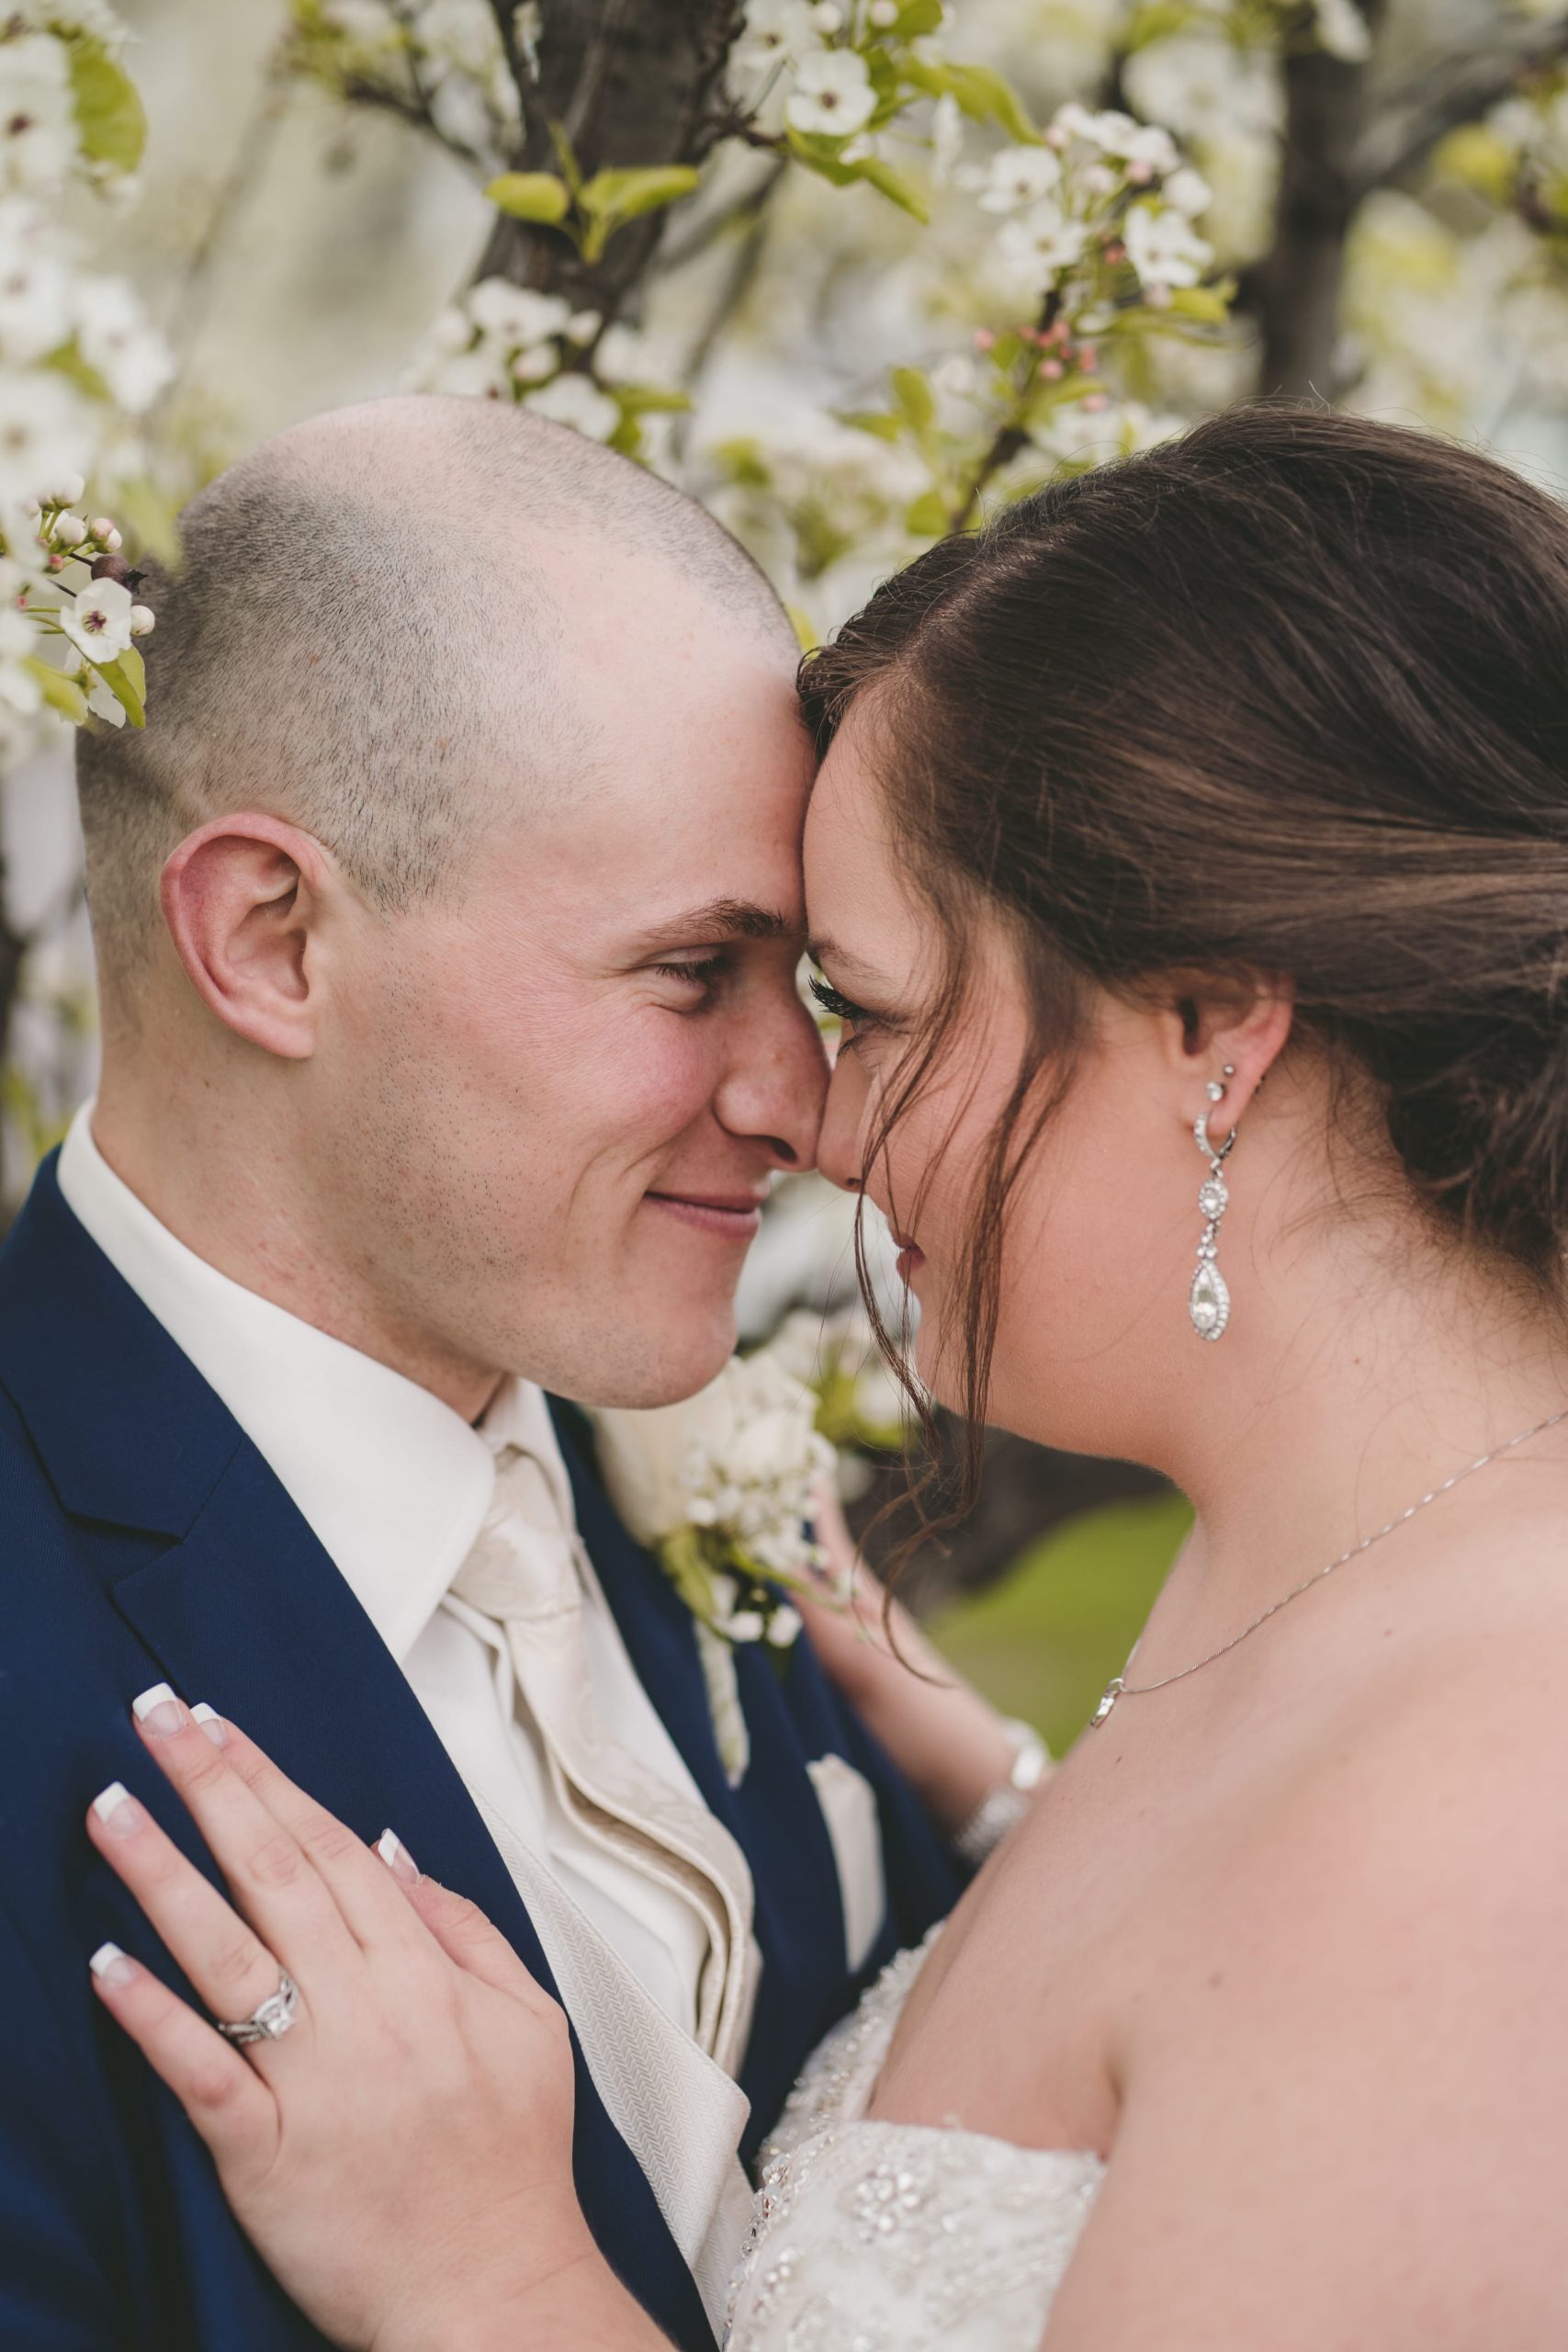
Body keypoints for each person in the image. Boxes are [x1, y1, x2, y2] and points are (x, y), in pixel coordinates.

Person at [86, 401, 1568, 2350]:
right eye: (709, 976)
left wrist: (495, 2283)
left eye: (866, 1010)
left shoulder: (1476, 1821)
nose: (817, 1121)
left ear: (1208, 1021)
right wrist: (1018, 1830)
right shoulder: (1326, 1593)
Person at [0, 396, 1031, 2350]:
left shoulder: (679, 1482)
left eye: (800, 985)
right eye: (688, 973)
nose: (798, 1104)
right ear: (272, 936)